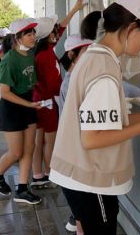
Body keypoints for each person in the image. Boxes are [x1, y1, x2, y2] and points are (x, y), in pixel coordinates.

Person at [49, 0, 140, 234]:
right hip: (90, 181)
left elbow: (109, 122)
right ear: (131, 27)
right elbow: (92, 138)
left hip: (79, 177)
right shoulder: (104, 70)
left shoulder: (94, 56)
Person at [31, 0, 86, 188]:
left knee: (38, 141)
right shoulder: (45, 55)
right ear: (48, 35)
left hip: (38, 101)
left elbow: (61, 28)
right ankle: (50, 173)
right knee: (50, 141)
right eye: (54, 31)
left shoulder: (41, 50)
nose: (57, 33)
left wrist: (75, 9)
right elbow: (53, 84)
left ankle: (37, 175)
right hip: (47, 103)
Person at [0, 18, 43, 205]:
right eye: (29, 34)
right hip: (11, 108)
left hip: (28, 103)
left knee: (30, 148)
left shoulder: (30, 54)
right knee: (16, 152)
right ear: (17, 38)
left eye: (34, 33)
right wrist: (29, 105)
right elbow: (4, 92)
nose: (33, 36)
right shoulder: (9, 59)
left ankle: (22, 189)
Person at [58, 34, 93, 234]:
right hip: (76, 152)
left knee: (83, 213)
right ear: (72, 55)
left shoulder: (75, 79)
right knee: (85, 215)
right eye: (85, 54)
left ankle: (76, 216)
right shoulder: (72, 82)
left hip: (74, 151)